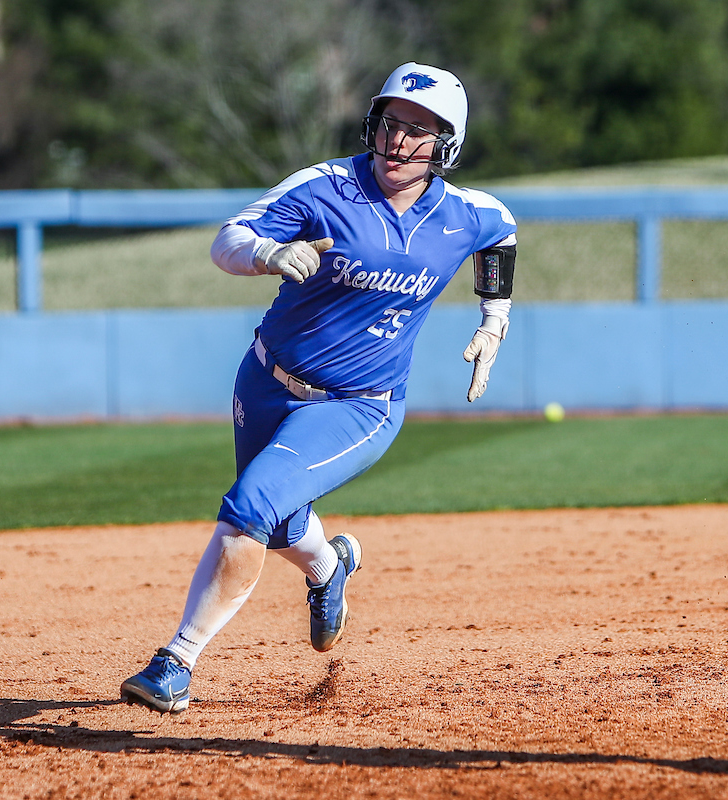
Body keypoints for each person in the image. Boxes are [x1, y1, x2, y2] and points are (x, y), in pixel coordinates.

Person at [120, 61, 518, 713]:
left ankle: (176, 663)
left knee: (249, 507)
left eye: (420, 131)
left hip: (358, 406)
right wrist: (268, 255)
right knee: (276, 526)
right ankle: (330, 569)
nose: (399, 142)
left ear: (447, 145)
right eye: (392, 123)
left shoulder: (465, 215)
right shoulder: (326, 188)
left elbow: (502, 232)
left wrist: (494, 318)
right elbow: (229, 240)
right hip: (266, 378)